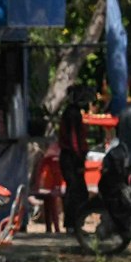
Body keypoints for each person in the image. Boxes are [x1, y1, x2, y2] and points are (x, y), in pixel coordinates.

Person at [56, 86, 93, 235]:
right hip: (71, 158)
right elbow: (74, 140)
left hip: (71, 157)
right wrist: (78, 156)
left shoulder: (72, 113)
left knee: (78, 191)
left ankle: (74, 224)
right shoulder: (73, 114)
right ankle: (72, 225)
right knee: (76, 192)